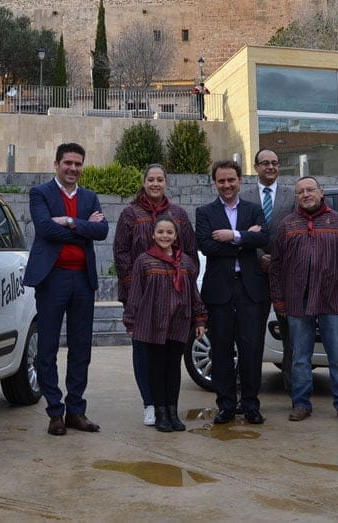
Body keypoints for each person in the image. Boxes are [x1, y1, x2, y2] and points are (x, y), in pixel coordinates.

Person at [24, 143, 109, 436]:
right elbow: (45, 229)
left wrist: (72, 222)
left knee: (81, 347)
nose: (73, 168)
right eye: (68, 163)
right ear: (57, 164)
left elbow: (102, 231)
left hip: (82, 281)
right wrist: (83, 228)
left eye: (78, 163)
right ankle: (55, 411)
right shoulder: (40, 194)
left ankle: (76, 410)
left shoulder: (89, 197)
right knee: (47, 347)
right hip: (53, 279)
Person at [113, 164, 198, 427]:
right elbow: (121, 252)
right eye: (151, 179)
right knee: (144, 352)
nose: (155, 184)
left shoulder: (179, 215)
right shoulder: (130, 214)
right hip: (142, 293)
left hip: (174, 296)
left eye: (160, 180)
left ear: (166, 182)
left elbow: (191, 253)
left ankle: (168, 407)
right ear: (144, 181)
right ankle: (150, 403)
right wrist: (134, 286)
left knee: (170, 355)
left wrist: (185, 283)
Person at [269, 176, 338, 422]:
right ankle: (301, 403)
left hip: (332, 300)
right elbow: (275, 267)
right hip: (297, 301)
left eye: (310, 190)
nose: (306, 194)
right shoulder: (287, 226)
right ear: (296, 197)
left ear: (321, 192)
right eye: (300, 192)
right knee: (299, 357)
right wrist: (279, 300)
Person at [196, 160, 269, 425]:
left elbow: (264, 238)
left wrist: (232, 236)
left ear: (240, 180)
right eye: (221, 181)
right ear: (214, 182)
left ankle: (250, 404)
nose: (227, 185)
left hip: (250, 288)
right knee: (222, 350)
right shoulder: (204, 212)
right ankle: (225, 405)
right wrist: (244, 239)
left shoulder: (254, 209)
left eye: (231, 180)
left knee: (251, 349)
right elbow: (206, 246)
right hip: (219, 290)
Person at [123, 217, 207, 433]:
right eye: (160, 232)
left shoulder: (186, 262)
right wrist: (131, 321)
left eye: (169, 232)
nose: (165, 236)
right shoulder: (144, 260)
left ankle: (172, 411)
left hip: (178, 322)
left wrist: (199, 318)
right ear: (153, 235)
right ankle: (160, 411)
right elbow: (135, 294)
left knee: (173, 370)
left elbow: (193, 293)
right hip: (152, 324)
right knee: (156, 369)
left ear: (176, 235)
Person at [241, 149, 296, 392]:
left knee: (290, 334)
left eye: (275, 163)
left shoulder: (292, 196)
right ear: (256, 167)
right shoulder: (244, 196)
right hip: (255, 273)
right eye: (265, 163)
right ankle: (249, 386)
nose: (270, 167)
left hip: (286, 274)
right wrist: (260, 257)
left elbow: (298, 231)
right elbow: (240, 232)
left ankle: (293, 386)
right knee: (252, 333)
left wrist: (279, 259)